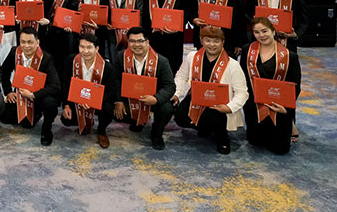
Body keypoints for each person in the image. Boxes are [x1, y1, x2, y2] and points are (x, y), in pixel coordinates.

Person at [173, 26, 249, 154]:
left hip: (220, 105)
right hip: (197, 99)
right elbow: (181, 77)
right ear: (201, 40)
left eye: (216, 41)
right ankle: (204, 128)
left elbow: (242, 93)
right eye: (208, 40)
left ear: (223, 42)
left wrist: (229, 107)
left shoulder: (232, 65)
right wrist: (176, 94)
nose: (212, 45)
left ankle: (222, 138)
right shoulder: (192, 57)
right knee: (180, 117)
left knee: (214, 117)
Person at [242, 18, 302, 154]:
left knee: (280, 149)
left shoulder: (289, 56)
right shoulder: (247, 50)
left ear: (273, 31)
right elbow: (244, 78)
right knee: (255, 142)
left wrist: (285, 108)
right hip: (255, 106)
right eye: (256, 32)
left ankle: (289, 126)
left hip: (278, 108)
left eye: (265, 31)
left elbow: (295, 86)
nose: (261, 35)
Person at [112, 27, 175, 150]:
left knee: (167, 108)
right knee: (111, 109)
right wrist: (118, 101)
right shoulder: (121, 56)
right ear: (128, 42)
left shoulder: (161, 61)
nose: (136, 45)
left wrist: (156, 98)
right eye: (132, 41)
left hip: (152, 100)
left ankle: (156, 134)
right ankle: (137, 121)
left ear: (147, 42)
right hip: (130, 99)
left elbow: (170, 86)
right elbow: (116, 80)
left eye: (140, 41)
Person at [0, 27, 61, 146]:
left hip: (39, 97)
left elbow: (55, 86)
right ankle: (29, 115)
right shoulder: (14, 52)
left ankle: (46, 129)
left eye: (30, 42)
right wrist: (8, 92)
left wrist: (33, 95)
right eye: (23, 42)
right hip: (20, 95)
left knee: (50, 104)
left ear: (37, 42)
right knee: (5, 118)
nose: (26, 46)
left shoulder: (46, 58)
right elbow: (4, 71)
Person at [60, 33, 116, 148]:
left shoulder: (107, 67)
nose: (85, 51)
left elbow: (111, 91)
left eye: (89, 47)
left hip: (98, 102)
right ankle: (85, 120)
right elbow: (65, 83)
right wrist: (66, 105)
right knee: (66, 120)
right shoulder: (71, 61)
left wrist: (93, 101)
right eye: (82, 47)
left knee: (108, 109)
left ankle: (101, 131)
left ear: (97, 48)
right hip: (77, 100)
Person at [140, 0, 190, 74]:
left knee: (170, 68)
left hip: (171, 34)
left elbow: (187, 10)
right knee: (148, 66)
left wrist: (177, 27)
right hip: (149, 31)